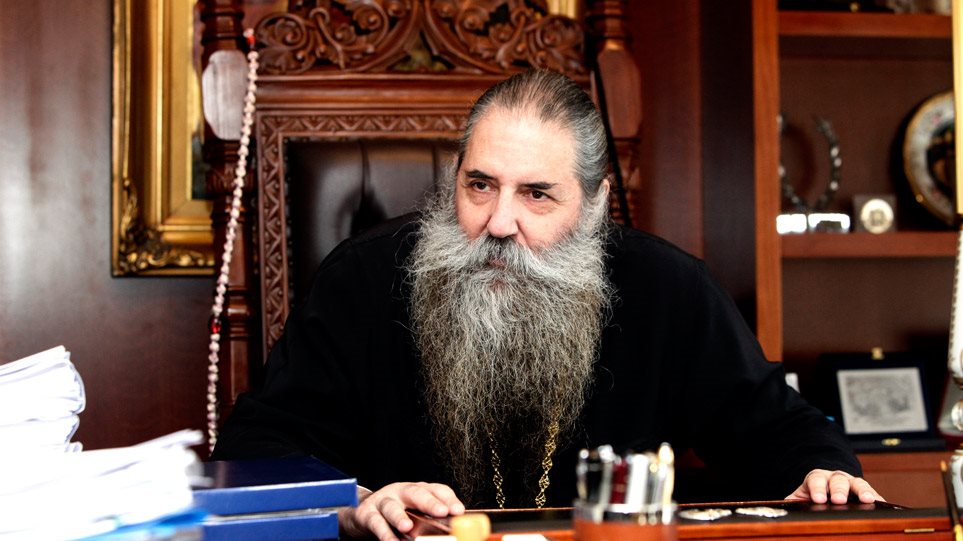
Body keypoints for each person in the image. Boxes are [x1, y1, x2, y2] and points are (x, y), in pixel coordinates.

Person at [212, 69, 881, 541]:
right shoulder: (363, 277)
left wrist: (823, 473)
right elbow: (255, 446)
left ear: (593, 203)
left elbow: (776, 429)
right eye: (480, 186)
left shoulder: (667, 288)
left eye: (536, 194)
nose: (499, 222)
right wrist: (357, 505)